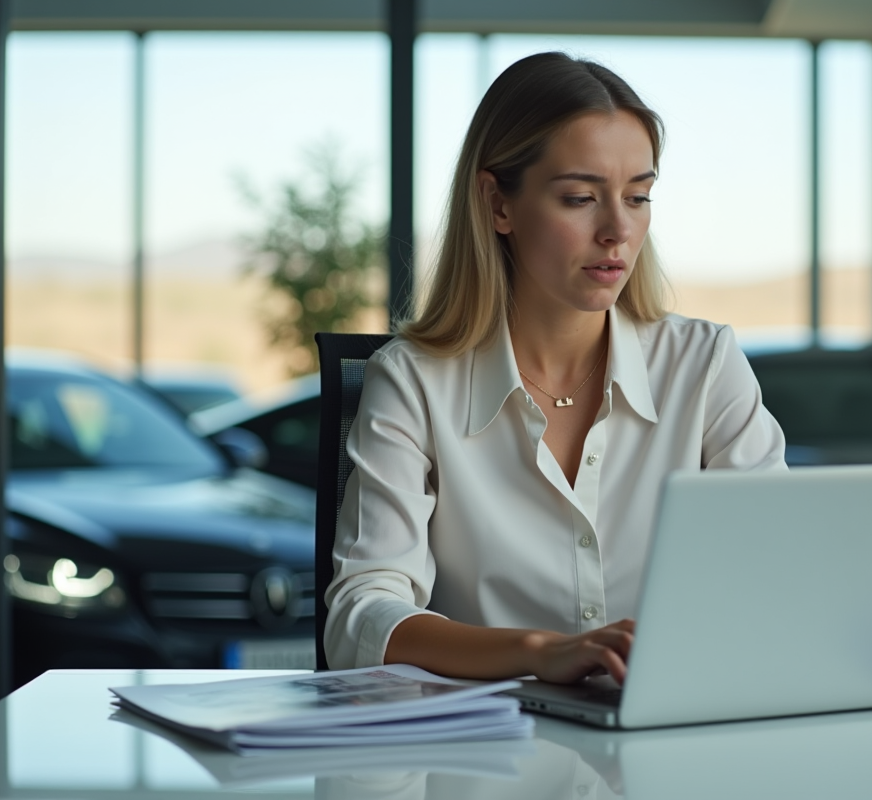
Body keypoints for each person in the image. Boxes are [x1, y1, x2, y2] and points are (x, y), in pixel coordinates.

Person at [324, 52, 786, 682]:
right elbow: (362, 613)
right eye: (579, 198)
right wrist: (541, 654)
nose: (618, 230)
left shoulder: (703, 364)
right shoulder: (413, 381)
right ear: (498, 205)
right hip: (485, 761)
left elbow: (781, 573)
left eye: (639, 196)